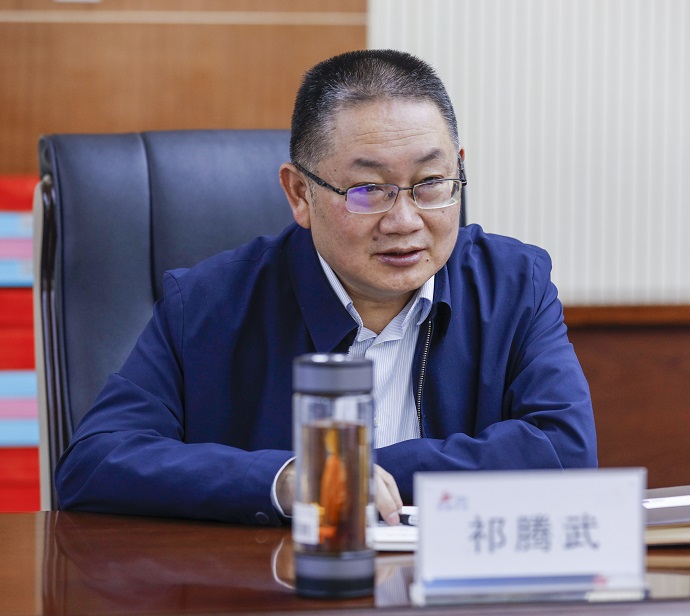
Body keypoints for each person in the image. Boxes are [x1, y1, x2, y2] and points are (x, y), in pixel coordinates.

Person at [55, 49, 597, 526]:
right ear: (299, 194)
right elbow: (95, 463)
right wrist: (285, 480)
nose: (405, 221)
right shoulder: (205, 304)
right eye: (368, 189)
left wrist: (345, 473)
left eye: (431, 183)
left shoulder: (514, 284)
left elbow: (566, 452)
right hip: (274, 585)